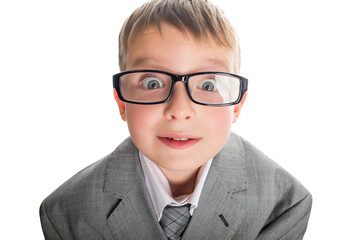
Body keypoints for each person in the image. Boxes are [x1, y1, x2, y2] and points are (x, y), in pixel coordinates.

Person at [39, 0, 312, 239]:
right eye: (153, 82)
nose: (180, 110)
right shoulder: (65, 214)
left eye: (208, 85)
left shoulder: (284, 204)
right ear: (122, 101)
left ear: (237, 105)